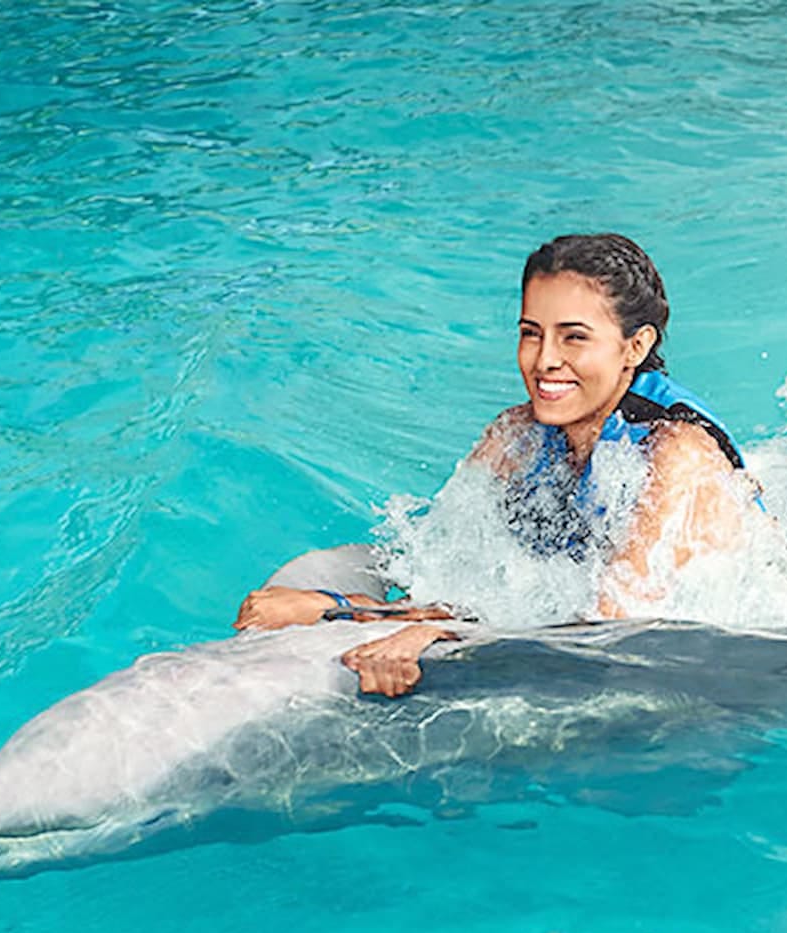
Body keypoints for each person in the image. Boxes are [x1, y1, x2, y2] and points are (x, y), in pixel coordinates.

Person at [234, 233, 760, 696]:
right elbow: (445, 572)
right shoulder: (519, 435)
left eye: (574, 337)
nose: (544, 360)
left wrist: (347, 612)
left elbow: (609, 638)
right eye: (531, 332)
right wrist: (384, 611)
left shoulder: (676, 455)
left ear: (635, 346)